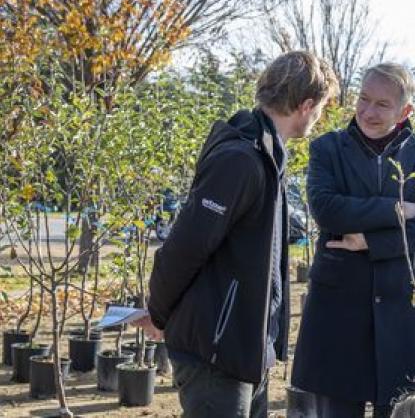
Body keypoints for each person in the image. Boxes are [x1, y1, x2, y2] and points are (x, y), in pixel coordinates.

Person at [136, 51, 338, 418]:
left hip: (245, 349)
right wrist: (158, 314)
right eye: (321, 109)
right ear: (307, 105)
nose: (319, 118)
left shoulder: (267, 154)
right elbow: (185, 247)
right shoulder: (241, 159)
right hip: (217, 352)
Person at [291, 63, 415, 417]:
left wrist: (371, 242)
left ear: (405, 111)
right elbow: (327, 210)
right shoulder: (328, 149)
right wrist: (398, 209)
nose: (368, 111)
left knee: (406, 408)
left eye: (382, 104)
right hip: (339, 307)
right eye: (363, 99)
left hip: (405, 308)